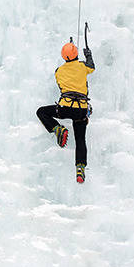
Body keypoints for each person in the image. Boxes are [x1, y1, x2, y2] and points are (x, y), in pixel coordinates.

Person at [36, 38, 95, 183]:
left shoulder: (59, 71)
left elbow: (62, 84)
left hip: (65, 108)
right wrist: (88, 55)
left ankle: (57, 129)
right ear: (76, 54)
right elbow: (91, 67)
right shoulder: (82, 66)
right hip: (81, 110)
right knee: (80, 139)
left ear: (64, 57)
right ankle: (80, 169)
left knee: (41, 112)